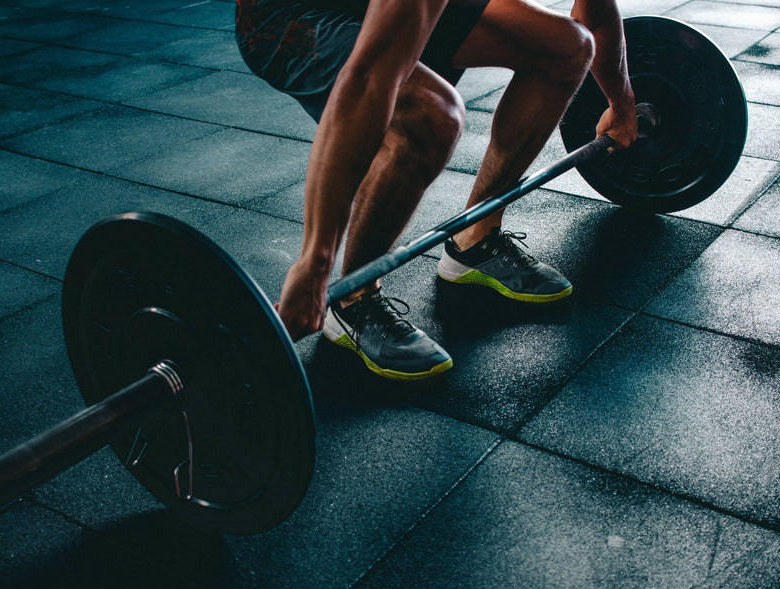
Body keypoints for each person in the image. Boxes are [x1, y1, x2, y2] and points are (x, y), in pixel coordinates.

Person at [236, 0, 637, 380]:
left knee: (567, 47)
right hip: (288, 15)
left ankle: (474, 240)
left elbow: (596, 12)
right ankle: (353, 300)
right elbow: (370, 79)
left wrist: (621, 103)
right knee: (432, 115)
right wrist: (315, 261)